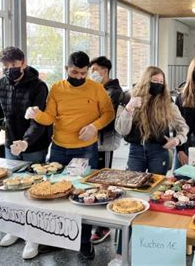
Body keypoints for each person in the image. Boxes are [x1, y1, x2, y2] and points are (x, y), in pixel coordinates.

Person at [25, 51, 115, 260]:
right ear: (66, 69)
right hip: (58, 148)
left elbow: (109, 113)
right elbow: (50, 118)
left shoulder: (96, 88)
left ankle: (84, 242)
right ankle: (58, 239)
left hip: (85, 149)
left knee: (83, 196)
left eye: (83, 73)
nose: (79, 77)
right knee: (53, 194)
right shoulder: (57, 88)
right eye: (74, 72)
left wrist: (95, 126)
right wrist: (36, 114)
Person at [0, 46, 51, 260]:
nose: (9, 69)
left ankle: (33, 236)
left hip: (35, 145)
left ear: (23, 62)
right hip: (11, 143)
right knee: (12, 188)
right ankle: (14, 229)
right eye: (5, 66)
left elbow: (38, 120)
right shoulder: (1, 84)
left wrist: (26, 141)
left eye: (13, 65)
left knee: (33, 190)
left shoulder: (39, 86)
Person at [115, 66, 189, 175]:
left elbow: (183, 127)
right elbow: (122, 130)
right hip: (136, 149)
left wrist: (177, 140)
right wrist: (129, 108)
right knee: (133, 182)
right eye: (154, 80)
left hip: (159, 150)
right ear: (146, 81)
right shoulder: (128, 97)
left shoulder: (167, 102)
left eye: (161, 81)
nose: (158, 84)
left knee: (157, 185)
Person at [88, 56, 123, 245]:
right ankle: (90, 220)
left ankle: (104, 226)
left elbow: (103, 116)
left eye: (95, 69)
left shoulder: (114, 91)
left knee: (104, 181)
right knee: (92, 180)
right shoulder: (95, 88)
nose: (92, 72)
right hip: (89, 142)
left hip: (105, 142)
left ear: (105, 71)